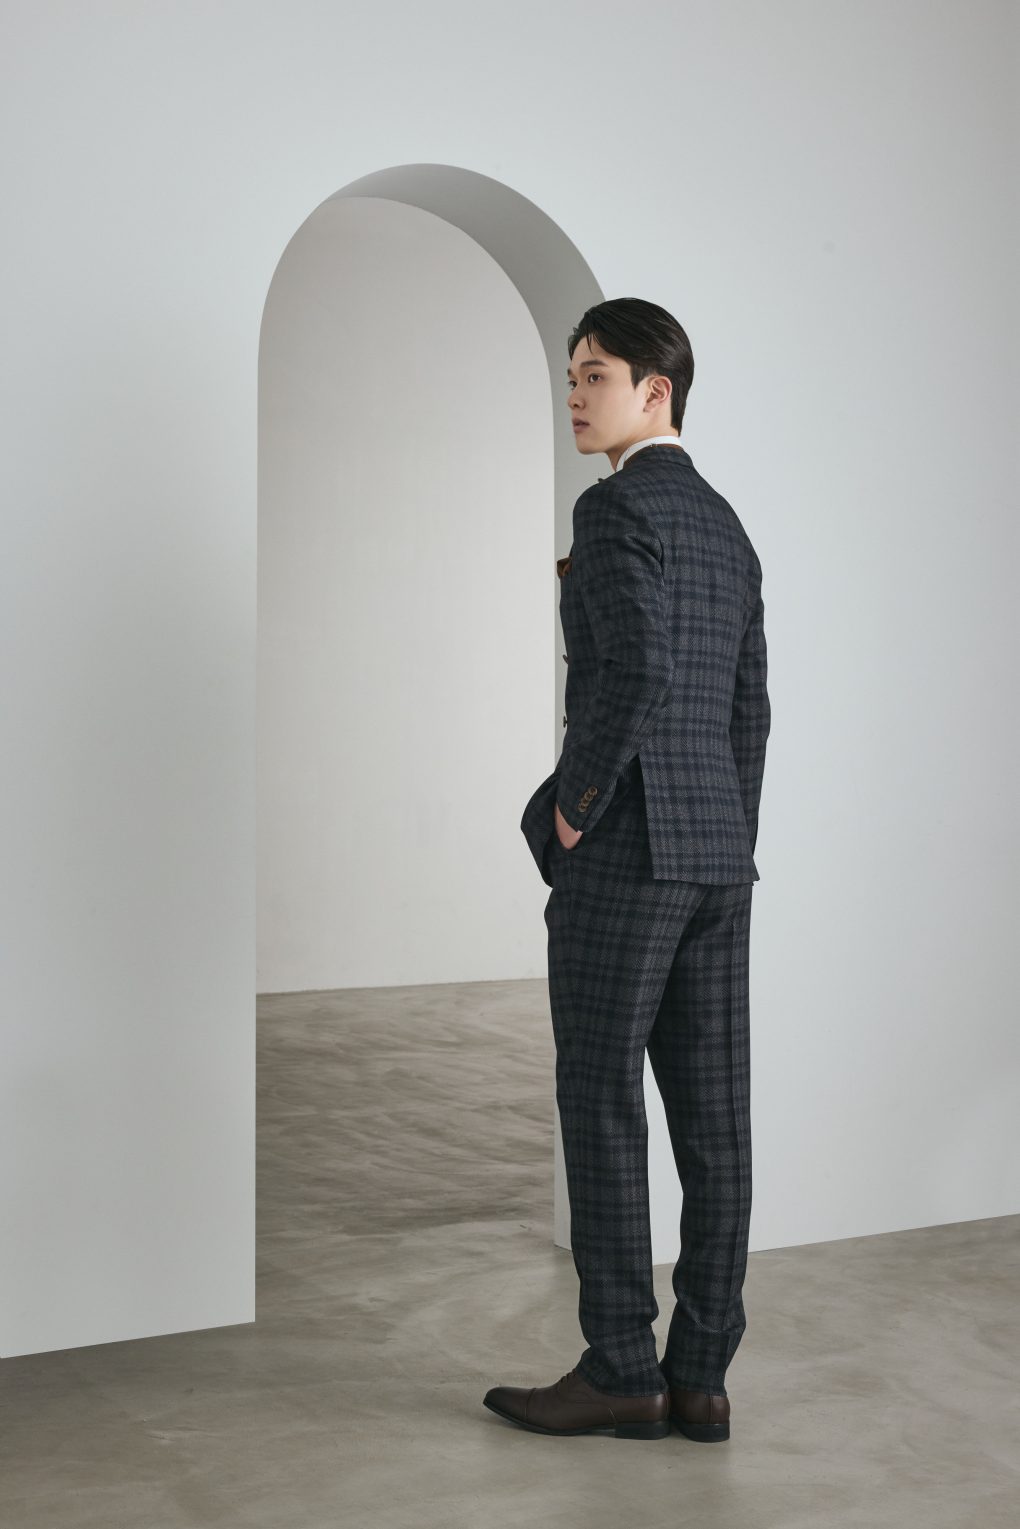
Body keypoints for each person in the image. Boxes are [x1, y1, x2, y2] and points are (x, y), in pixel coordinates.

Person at [484, 298, 770, 1442]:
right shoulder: (727, 526)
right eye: (571, 374)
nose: (574, 394)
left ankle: (619, 1367)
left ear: (657, 391)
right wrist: (730, 834)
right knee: (716, 1123)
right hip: (718, 863)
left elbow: (638, 672)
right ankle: (700, 1375)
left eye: (594, 375)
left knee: (600, 1102)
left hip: (628, 860)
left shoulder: (612, 508)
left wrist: (573, 811)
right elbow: (750, 708)